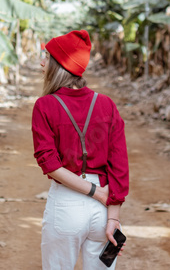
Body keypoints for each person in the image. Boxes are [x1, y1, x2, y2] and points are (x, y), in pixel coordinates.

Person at [32, 29, 129, 269]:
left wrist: (96, 192)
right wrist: (113, 215)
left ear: (59, 65)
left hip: (67, 202)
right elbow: (119, 165)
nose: (41, 63)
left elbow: (50, 164)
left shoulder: (45, 105)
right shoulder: (106, 104)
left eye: (47, 58)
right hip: (103, 208)